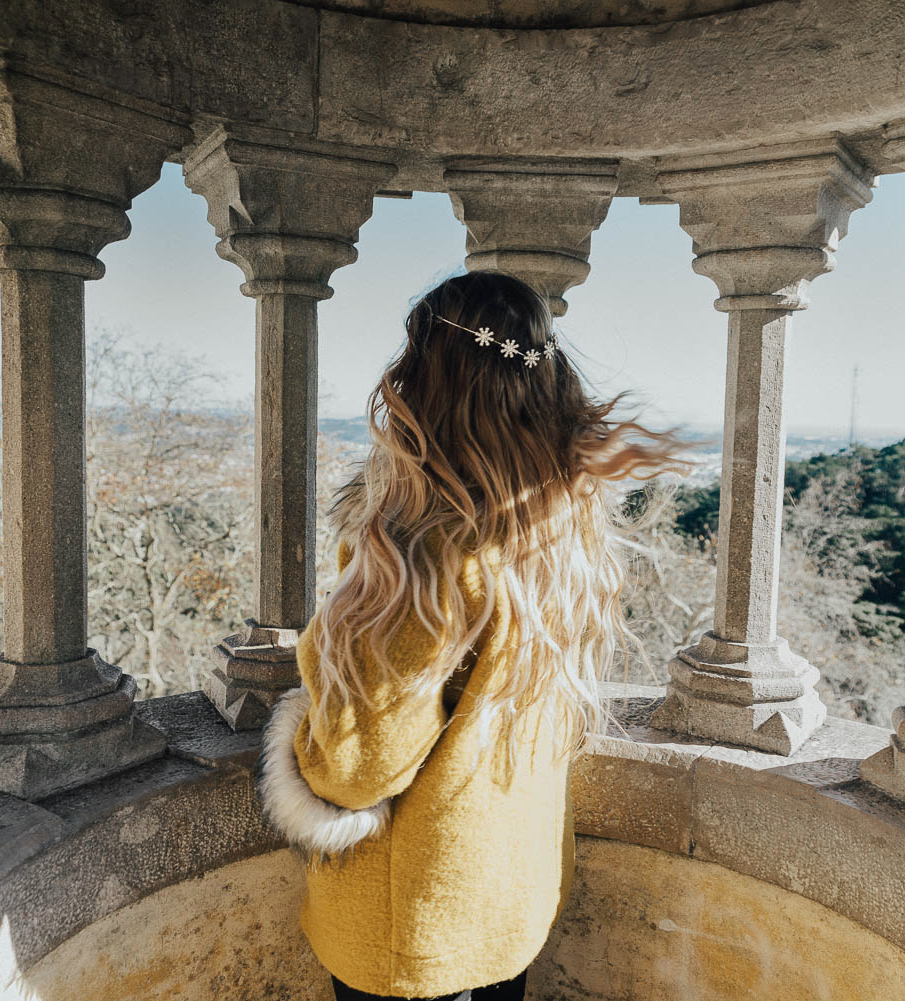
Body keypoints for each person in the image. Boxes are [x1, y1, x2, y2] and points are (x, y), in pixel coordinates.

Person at [253, 271, 693, 1000]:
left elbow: (357, 767)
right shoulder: (559, 532)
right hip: (504, 897)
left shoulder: (421, 555)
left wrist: (301, 731)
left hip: (412, 924)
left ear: (426, 384)